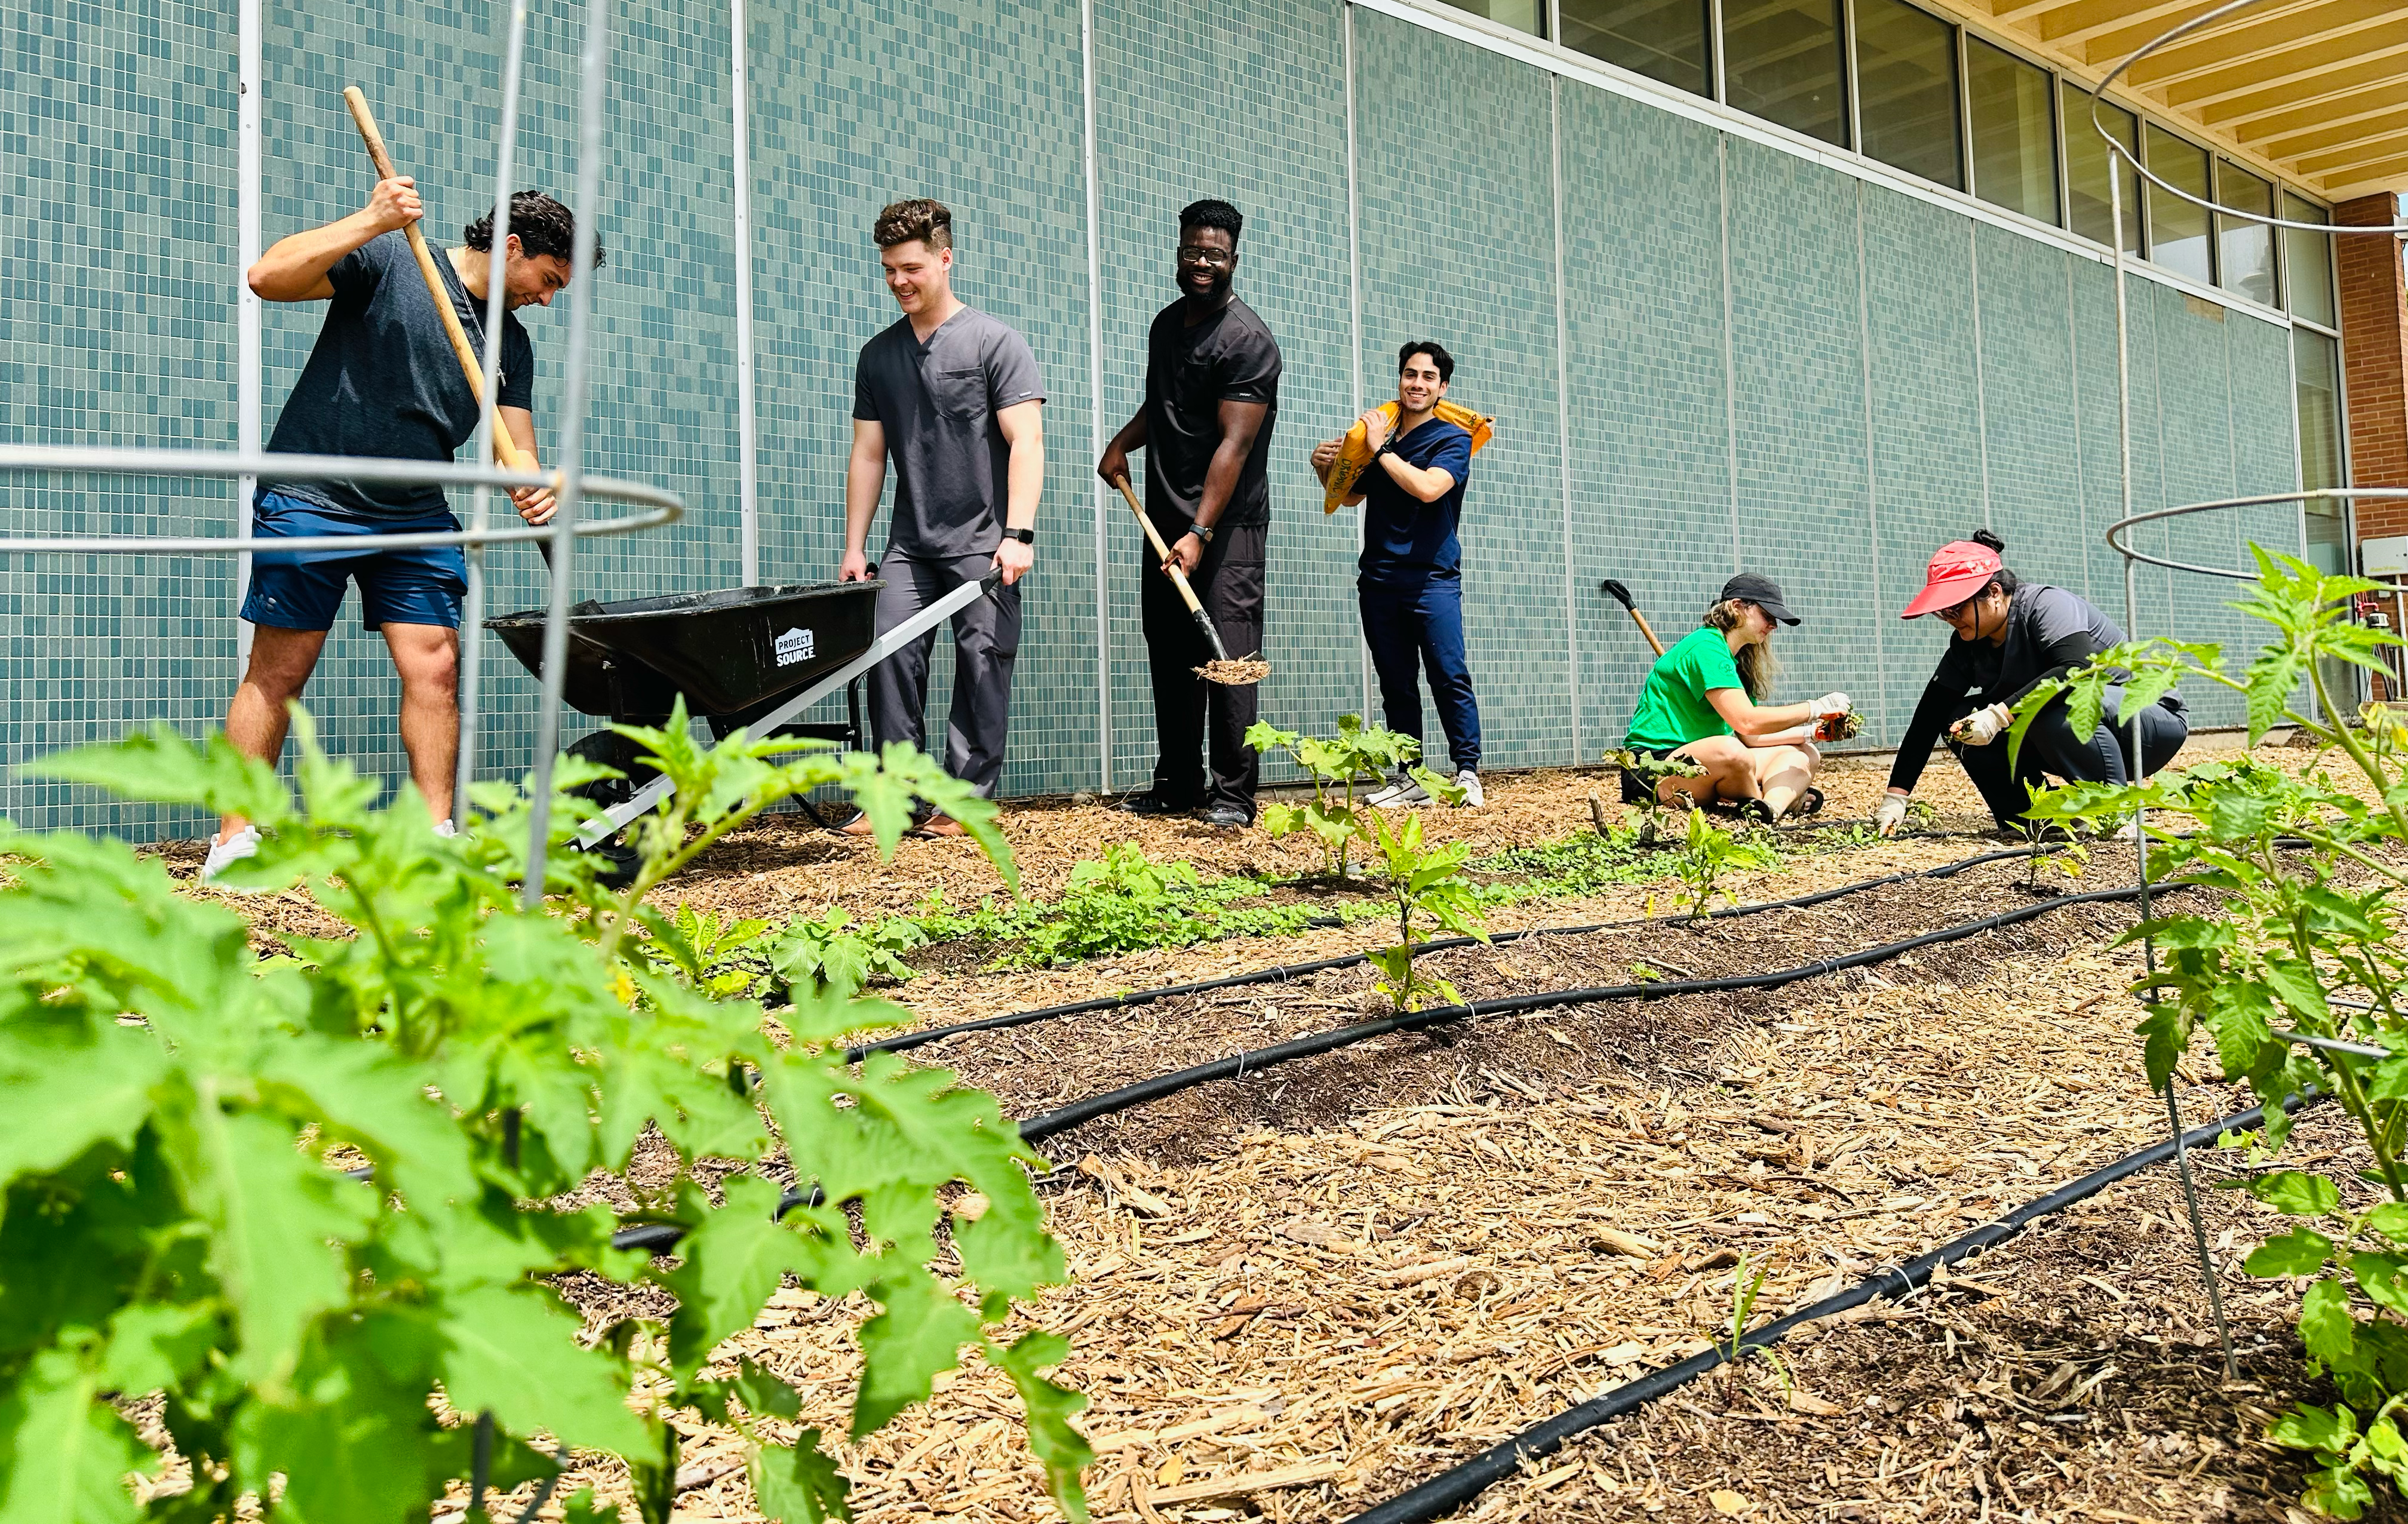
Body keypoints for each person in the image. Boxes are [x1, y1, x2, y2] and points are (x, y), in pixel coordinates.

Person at [204, 184, 593, 884]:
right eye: (549, 279)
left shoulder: (513, 343)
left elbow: (518, 445)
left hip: (415, 511)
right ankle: (236, 835)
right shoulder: (390, 260)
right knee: (280, 669)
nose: (548, 296)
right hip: (313, 495)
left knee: (437, 668)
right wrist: (371, 219)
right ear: (512, 249)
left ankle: (434, 832)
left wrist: (537, 483)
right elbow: (268, 277)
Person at [840, 198, 1045, 837]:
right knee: (889, 656)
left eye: (910, 267)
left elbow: (1028, 441)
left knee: (983, 660)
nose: (899, 280)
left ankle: (963, 800)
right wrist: (855, 546)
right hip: (911, 545)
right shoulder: (878, 356)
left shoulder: (994, 342)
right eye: (889, 270)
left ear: (945, 258)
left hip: (985, 541)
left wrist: (1018, 534)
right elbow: (869, 454)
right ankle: (895, 800)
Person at [1096, 198, 1280, 829]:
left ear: (1234, 259)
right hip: (1164, 519)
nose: (1203, 263)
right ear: (1179, 252)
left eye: (1216, 254)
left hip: (1225, 528)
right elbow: (1167, 406)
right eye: (1193, 252)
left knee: (1225, 653)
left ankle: (1234, 795)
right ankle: (1179, 782)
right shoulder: (1165, 325)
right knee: (1171, 649)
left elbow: (1234, 443)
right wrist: (1124, 442)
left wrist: (1200, 530)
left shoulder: (1248, 341)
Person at [1876, 530, 2187, 837]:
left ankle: (2109, 814)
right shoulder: (1967, 644)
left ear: (1994, 593)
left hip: (2149, 723)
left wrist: (1998, 715)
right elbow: (1929, 716)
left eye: (1956, 607)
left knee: (2054, 704)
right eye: (1942, 611)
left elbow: (2076, 669)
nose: (1950, 617)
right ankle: (2032, 820)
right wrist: (1896, 796)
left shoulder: (2045, 606)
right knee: (1959, 721)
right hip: (2067, 728)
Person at [1310, 341, 1483, 808]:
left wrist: (1379, 448)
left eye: (1428, 377)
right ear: (1400, 379)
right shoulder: (1381, 438)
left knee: (1449, 675)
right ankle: (1410, 777)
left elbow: (1429, 489)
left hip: (1433, 579)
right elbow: (1348, 497)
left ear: (1442, 387)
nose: (1417, 384)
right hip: (1380, 579)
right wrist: (1324, 468)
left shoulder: (1452, 439)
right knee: (1396, 681)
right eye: (1411, 375)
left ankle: (1467, 772)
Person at [1617, 574, 1848, 822]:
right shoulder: (1706, 648)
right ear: (1738, 607)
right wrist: (1815, 708)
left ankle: (1769, 810)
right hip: (1654, 767)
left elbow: (1749, 736)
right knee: (1732, 752)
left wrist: (1811, 734)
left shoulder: (1735, 661)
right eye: (1767, 616)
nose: (1774, 626)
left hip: (1708, 762)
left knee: (1805, 754)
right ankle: (1765, 796)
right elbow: (1746, 722)